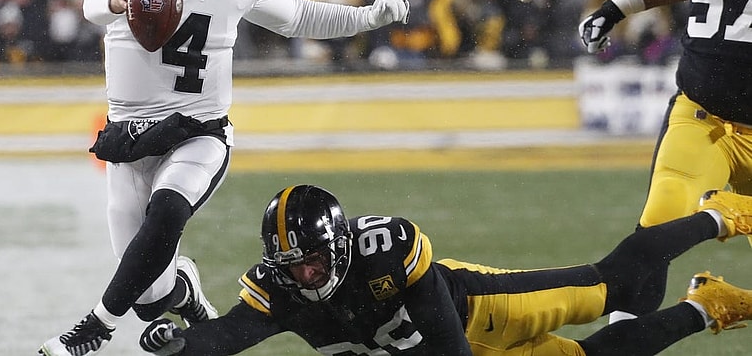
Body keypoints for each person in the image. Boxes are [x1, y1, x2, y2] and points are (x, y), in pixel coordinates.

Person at [38, 0, 409, 355]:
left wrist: (368, 17)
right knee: (149, 300)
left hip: (200, 129)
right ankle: (183, 290)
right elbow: (95, 0)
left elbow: (295, 16)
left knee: (169, 209)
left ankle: (93, 327)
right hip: (131, 135)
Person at [138, 184, 752, 355]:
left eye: (313, 262)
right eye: (291, 267)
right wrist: (181, 341)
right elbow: (228, 336)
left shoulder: (386, 247)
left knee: (613, 285)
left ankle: (716, 218)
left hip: (475, 309)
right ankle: (709, 307)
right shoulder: (283, 289)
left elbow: (445, 336)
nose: (303, 277)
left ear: (343, 246)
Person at [577, 0, 752, 322]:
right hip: (703, 117)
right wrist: (618, 7)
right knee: (656, 233)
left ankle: (724, 306)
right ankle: (620, 344)